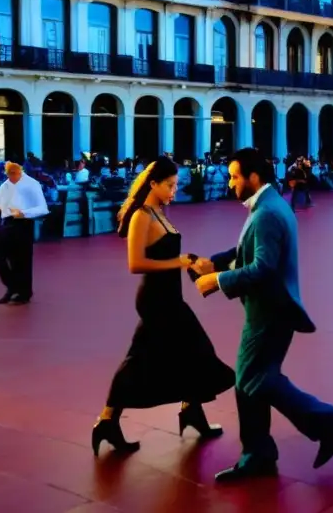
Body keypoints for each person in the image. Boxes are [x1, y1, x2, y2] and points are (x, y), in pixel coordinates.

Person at [190, 148, 333, 481]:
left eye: (236, 176)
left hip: (269, 311)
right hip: (271, 309)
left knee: (255, 380)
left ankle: (325, 421)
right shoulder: (270, 204)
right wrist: (217, 262)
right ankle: (259, 451)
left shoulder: (266, 213)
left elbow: (263, 268)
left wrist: (216, 281)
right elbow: (246, 252)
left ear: (253, 177)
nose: (231, 182)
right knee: (251, 381)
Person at [91, 157, 235, 456]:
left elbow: (166, 253)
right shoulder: (142, 215)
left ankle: (187, 411)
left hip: (170, 297)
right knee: (166, 354)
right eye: (169, 185)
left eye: (176, 185)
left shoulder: (159, 212)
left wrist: (190, 262)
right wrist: (179, 262)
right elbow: (136, 264)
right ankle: (111, 420)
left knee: (187, 353)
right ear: (153, 183)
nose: (174, 190)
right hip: (156, 300)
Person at [0, 162, 49, 305]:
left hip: (23, 223)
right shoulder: (5, 185)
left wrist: (23, 213)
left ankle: (23, 292)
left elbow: (43, 208)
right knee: (0, 257)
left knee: (22, 260)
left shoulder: (32, 184)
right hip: (6, 223)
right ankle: (13, 287)